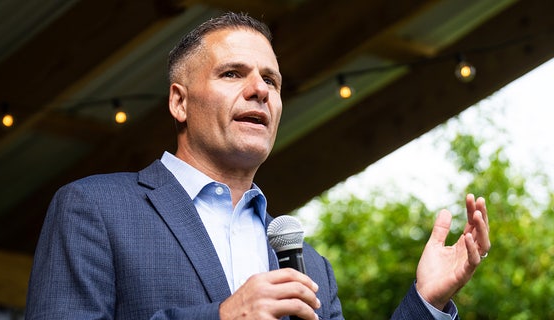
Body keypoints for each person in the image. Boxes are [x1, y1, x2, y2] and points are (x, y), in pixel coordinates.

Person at [25, 12, 491, 320]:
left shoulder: (311, 267)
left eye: (271, 79)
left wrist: (426, 302)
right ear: (179, 102)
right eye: (233, 73)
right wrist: (224, 316)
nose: (260, 90)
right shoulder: (95, 208)